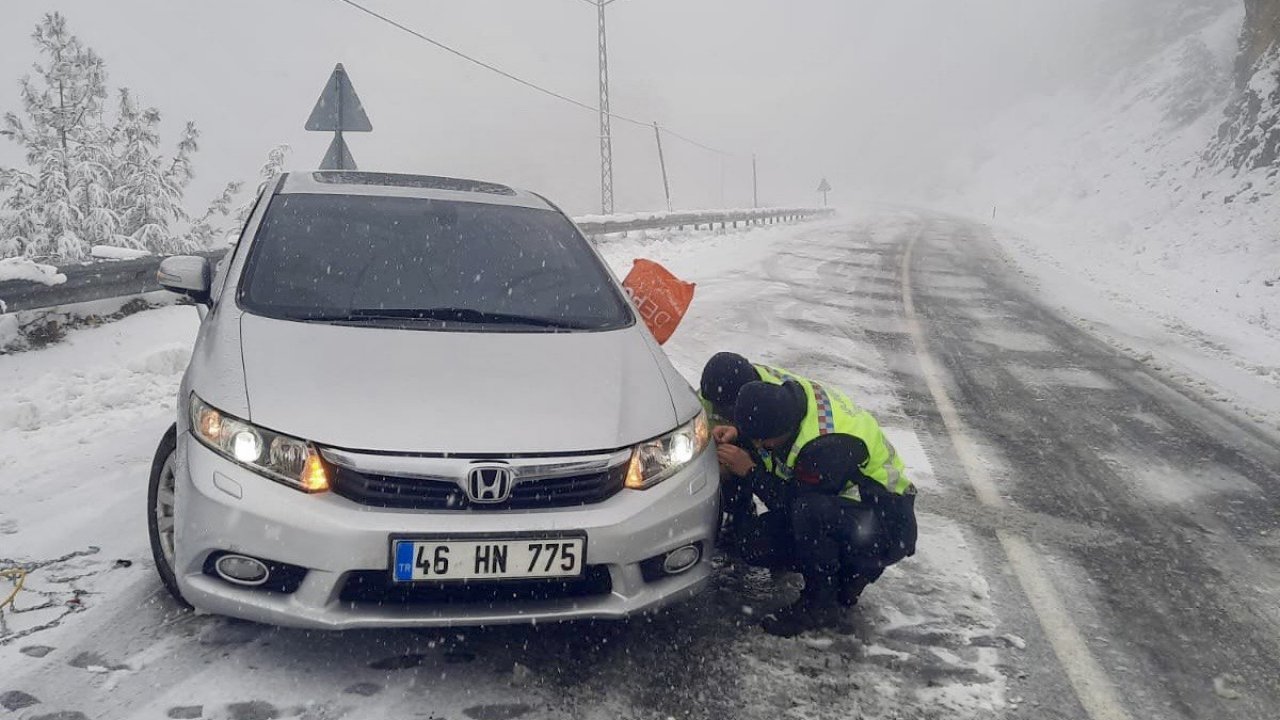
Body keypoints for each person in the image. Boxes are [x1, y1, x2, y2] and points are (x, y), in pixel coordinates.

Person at [715, 377, 918, 637]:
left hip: (887, 525)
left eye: (761, 440)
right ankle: (844, 577)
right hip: (849, 511)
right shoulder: (790, 402)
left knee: (807, 513)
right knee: (753, 543)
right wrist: (739, 432)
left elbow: (794, 504)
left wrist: (750, 471)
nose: (759, 446)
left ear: (776, 433)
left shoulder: (826, 448)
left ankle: (820, 604)